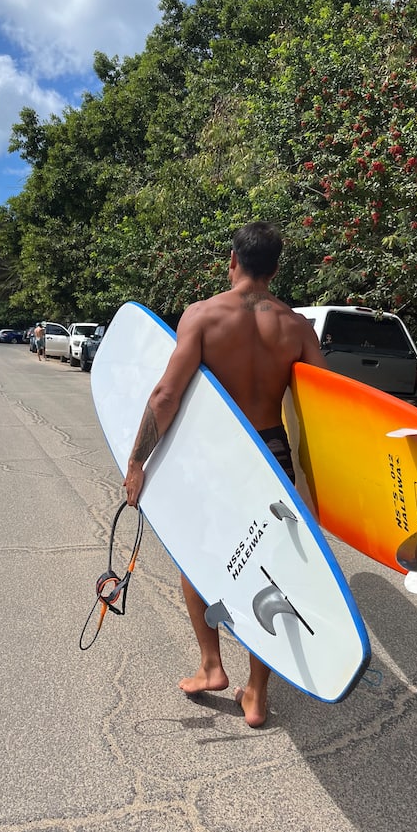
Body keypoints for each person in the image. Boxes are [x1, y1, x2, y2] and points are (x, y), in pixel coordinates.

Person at [124, 221, 327, 728]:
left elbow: (165, 396)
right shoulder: (298, 328)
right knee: (271, 570)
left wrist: (137, 462)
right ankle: (256, 694)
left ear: (232, 260)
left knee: (196, 556)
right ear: (276, 269)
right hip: (272, 456)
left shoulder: (203, 316)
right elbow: (325, 409)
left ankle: (211, 665)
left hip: (216, 457)